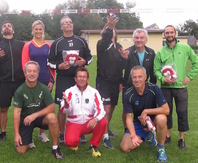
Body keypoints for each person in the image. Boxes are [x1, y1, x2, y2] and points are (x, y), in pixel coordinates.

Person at [47, 15, 93, 144]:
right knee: (63, 107)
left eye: (70, 22)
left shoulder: (82, 41)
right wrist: (58, 66)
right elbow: (49, 61)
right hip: (63, 79)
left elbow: (90, 58)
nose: (69, 24)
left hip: (79, 80)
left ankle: (81, 131)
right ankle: (62, 133)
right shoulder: (57, 43)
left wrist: (84, 62)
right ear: (61, 27)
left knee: (80, 105)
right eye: (65, 23)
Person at [154, 25, 198, 149]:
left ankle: (181, 139)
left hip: (181, 87)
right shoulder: (161, 52)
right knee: (167, 112)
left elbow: (196, 62)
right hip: (165, 87)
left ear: (175, 33)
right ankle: (167, 136)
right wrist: (163, 79)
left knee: (182, 111)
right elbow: (156, 69)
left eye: (171, 32)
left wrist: (190, 76)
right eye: (167, 33)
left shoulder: (185, 48)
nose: (169, 35)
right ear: (164, 35)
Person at [13, 61, 64, 160]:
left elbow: (52, 108)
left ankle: (55, 148)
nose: (32, 74)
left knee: (52, 117)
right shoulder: (20, 91)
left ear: (38, 73)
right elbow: (16, 112)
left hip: (40, 118)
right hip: (26, 121)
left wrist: (34, 115)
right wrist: (16, 134)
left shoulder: (43, 88)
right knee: (21, 150)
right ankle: (28, 138)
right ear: (25, 73)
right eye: (29, 71)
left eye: (34, 71)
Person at [120, 66, 169, 162]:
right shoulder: (128, 94)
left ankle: (161, 148)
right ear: (131, 78)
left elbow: (166, 109)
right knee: (124, 148)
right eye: (134, 77)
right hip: (138, 123)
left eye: (140, 76)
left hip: (154, 120)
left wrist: (147, 111)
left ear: (145, 77)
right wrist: (133, 135)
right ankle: (148, 136)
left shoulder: (154, 88)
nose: (137, 80)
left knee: (162, 118)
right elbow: (129, 117)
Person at [96, 14, 129, 149]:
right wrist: (109, 28)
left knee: (112, 107)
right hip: (104, 82)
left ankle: (106, 127)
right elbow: (105, 39)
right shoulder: (102, 44)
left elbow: (121, 67)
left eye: (113, 29)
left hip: (115, 82)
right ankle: (105, 137)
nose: (111, 31)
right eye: (109, 29)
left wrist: (124, 59)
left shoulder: (119, 46)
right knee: (106, 109)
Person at [60, 67, 107, 158]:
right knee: (70, 142)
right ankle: (74, 142)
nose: (82, 79)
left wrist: (96, 119)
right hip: (74, 123)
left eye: (84, 77)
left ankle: (93, 146)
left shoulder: (93, 92)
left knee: (103, 121)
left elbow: (101, 109)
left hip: (89, 123)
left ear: (88, 79)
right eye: (79, 76)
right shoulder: (69, 91)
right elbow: (63, 110)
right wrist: (66, 105)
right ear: (75, 79)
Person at [22, 20, 55, 144]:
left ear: (43, 31)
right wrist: (28, 79)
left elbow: (51, 65)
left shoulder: (48, 46)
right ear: (32, 30)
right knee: (30, 106)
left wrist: (52, 80)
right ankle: (28, 135)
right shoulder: (28, 45)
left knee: (45, 106)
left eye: (40, 29)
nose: (38, 31)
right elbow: (24, 64)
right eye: (36, 29)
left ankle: (42, 133)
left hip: (46, 80)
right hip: (32, 80)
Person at [0, 21, 25, 142]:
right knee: (4, 108)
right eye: (4, 26)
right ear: (1, 31)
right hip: (5, 82)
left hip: (20, 81)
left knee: (22, 108)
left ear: (13, 30)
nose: (7, 27)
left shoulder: (21, 45)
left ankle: (23, 130)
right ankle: (3, 132)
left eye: (9, 26)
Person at [122, 28, 156, 132]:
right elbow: (121, 68)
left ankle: (147, 128)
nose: (139, 40)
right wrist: (124, 59)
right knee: (127, 110)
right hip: (129, 86)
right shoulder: (128, 51)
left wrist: (153, 85)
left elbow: (153, 70)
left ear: (146, 40)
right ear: (133, 39)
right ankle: (127, 129)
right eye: (136, 38)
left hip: (145, 86)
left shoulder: (151, 53)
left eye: (141, 38)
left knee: (145, 108)